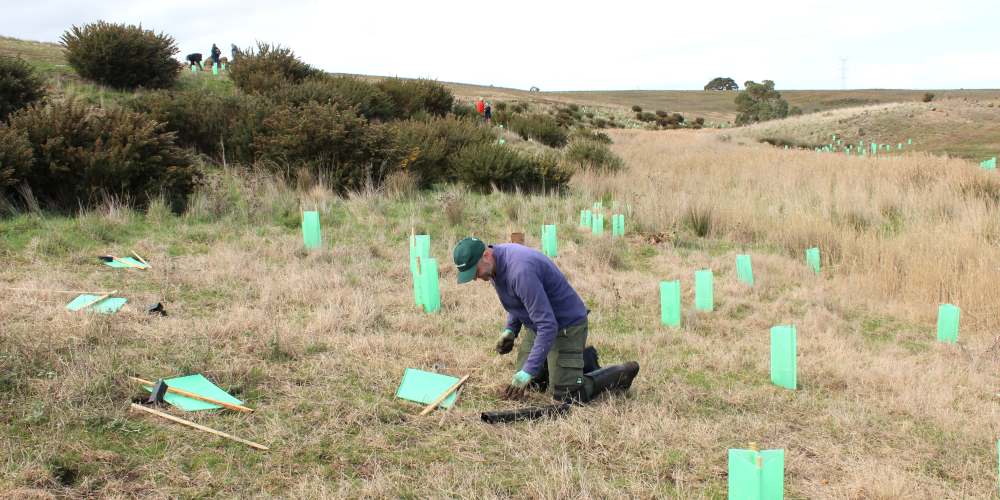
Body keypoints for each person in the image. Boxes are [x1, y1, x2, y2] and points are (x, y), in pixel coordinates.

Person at [453, 237, 640, 403]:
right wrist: (511, 329)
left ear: (486, 255)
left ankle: (620, 374)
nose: (476, 278)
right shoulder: (493, 266)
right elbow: (519, 299)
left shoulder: (520, 270)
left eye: (475, 272)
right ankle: (578, 359)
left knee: (565, 395)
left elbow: (548, 325)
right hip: (539, 324)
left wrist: (528, 370)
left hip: (566, 325)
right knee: (532, 384)